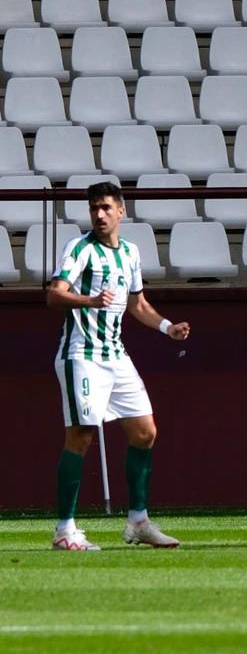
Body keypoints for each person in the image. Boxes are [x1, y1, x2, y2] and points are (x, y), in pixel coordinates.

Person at [49, 182, 190, 551]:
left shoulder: (129, 253)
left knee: (145, 432)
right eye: (94, 208)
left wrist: (166, 327)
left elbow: (138, 304)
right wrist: (90, 300)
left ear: (121, 211)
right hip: (82, 355)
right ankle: (65, 529)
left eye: (106, 208)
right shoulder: (80, 249)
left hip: (116, 355)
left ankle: (138, 522)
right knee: (80, 437)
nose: (99, 214)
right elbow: (53, 294)